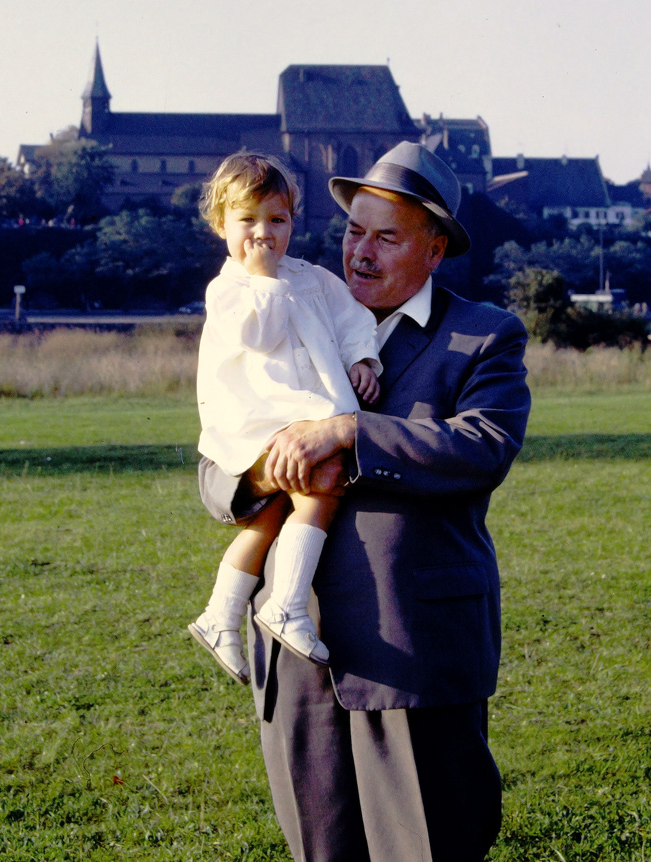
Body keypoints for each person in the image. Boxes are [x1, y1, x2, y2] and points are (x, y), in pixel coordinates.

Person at [199, 142, 531, 860]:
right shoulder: (294, 303)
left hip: (410, 648)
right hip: (295, 650)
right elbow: (215, 461)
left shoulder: (482, 334)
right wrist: (261, 474)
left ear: (434, 248)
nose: (361, 251)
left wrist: (348, 430)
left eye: (387, 236)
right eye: (353, 231)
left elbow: (482, 447)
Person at [189, 151, 381, 686]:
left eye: (277, 220)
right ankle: (286, 606)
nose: (263, 233)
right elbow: (260, 333)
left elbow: (351, 319)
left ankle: (221, 615)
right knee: (322, 485)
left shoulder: (314, 278)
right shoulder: (230, 289)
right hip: (258, 422)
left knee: (271, 516)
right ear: (220, 224)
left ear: (294, 222)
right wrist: (263, 276)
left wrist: (363, 357)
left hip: (304, 417)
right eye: (247, 220)